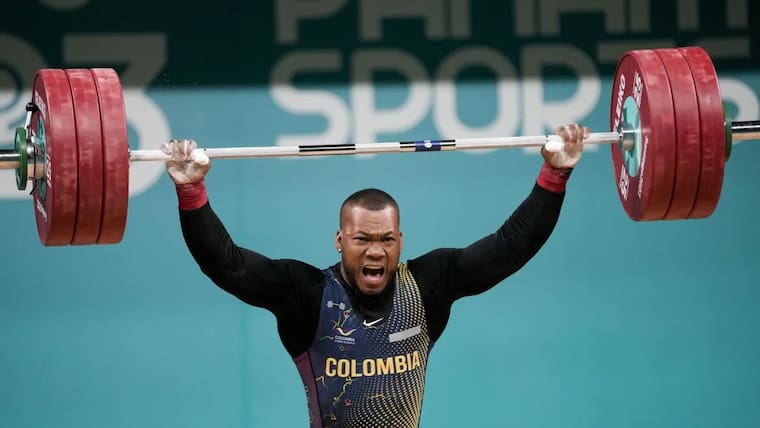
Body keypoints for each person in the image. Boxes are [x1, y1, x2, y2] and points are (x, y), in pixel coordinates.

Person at [162, 124, 590, 427]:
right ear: (339, 240)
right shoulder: (306, 294)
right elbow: (229, 265)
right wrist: (190, 190)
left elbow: (509, 247)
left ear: (400, 241)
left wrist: (555, 174)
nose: (375, 251)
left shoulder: (427, 286)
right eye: (362, 239)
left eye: (386, 239)